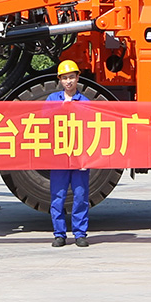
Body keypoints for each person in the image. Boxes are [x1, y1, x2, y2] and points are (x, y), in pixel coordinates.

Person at [47, 60, 91, 248]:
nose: (68, 81)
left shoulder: (85, 102)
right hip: (59, 155)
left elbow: (91, 130)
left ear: (78, 78)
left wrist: (87, 158)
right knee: (58, 196)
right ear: (60, 80)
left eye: (71, 77)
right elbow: (44, 124)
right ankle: (59, 234)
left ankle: (80, 233)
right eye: (65, 78)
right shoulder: (52, 100)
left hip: (79, 154)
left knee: (81, 196)